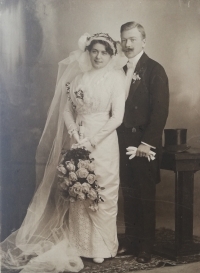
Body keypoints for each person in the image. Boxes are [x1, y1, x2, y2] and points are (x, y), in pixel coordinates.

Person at [0, 33, 126, 273]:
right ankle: (80, 243)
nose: (98, 56)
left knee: (103, 190)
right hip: (78, 137)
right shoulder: (77, 78)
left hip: (104, 141)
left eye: (104, 52)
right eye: (95, 51)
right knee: (77, 188)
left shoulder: (115, 78)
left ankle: (101, 247)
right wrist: (75, 134)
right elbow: (67, 110)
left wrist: (92, 140)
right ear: (88, 52)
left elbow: (117, 118)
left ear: (111, 55)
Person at [117, 21, 169, 263]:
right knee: (129, 193)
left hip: (143, 142)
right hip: (122, 140)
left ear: (143, 41)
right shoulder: (119, 71)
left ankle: (146, 246)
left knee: (144, 193)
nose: (127, 44)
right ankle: (131, 242)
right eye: (124, 39)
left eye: (133, 39)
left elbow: (160, 112)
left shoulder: (155, 69)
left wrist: (147, 144)